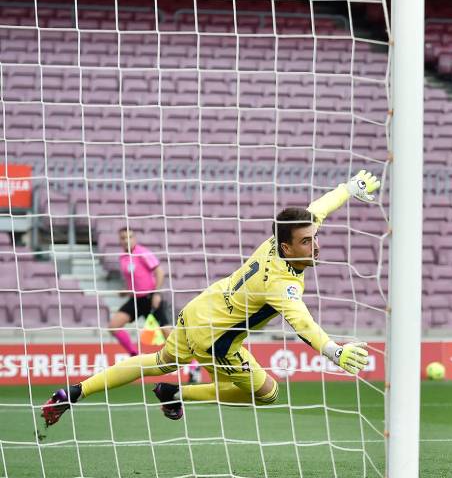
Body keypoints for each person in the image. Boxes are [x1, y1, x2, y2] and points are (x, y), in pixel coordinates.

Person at [41, 171, 380, 428]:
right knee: (267, 393)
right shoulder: (281, 285)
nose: (315, 245)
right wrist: (335, 351)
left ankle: (73, 392)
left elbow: (315, 209)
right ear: (288, 248)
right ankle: (176, 392)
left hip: (200, 308)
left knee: (159, 360)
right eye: (307, 242)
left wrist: (348, 190)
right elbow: (302, 323)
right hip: (216, 339)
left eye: (314, 238)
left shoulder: (281, 238)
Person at [107, 228, 169, 357]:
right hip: (136, 299)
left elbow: (160, 272)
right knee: (114, 326)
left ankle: (193, 366)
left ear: (134, 238)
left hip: (150, 298)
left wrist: (156, 293)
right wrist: (126, 291)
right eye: (123, 238)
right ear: (120, 240)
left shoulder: (142, 253)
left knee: (167, 333)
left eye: (129, 237)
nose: (126, 240)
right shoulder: (122, 257)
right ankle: (134, 354)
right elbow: (134, 279)